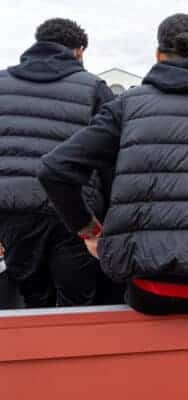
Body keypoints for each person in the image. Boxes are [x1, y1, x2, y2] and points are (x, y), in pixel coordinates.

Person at [38, 13, 188, 314]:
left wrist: (90, 231)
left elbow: (54, 169)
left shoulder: (127, 107)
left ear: (157, 55)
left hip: (148, 288)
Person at [0, 18, 120, 307]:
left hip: (12, 212)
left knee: (31, 300)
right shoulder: (94, 88)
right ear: (78, 51)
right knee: (77, 304)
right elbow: (109, 162)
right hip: (74, 213)